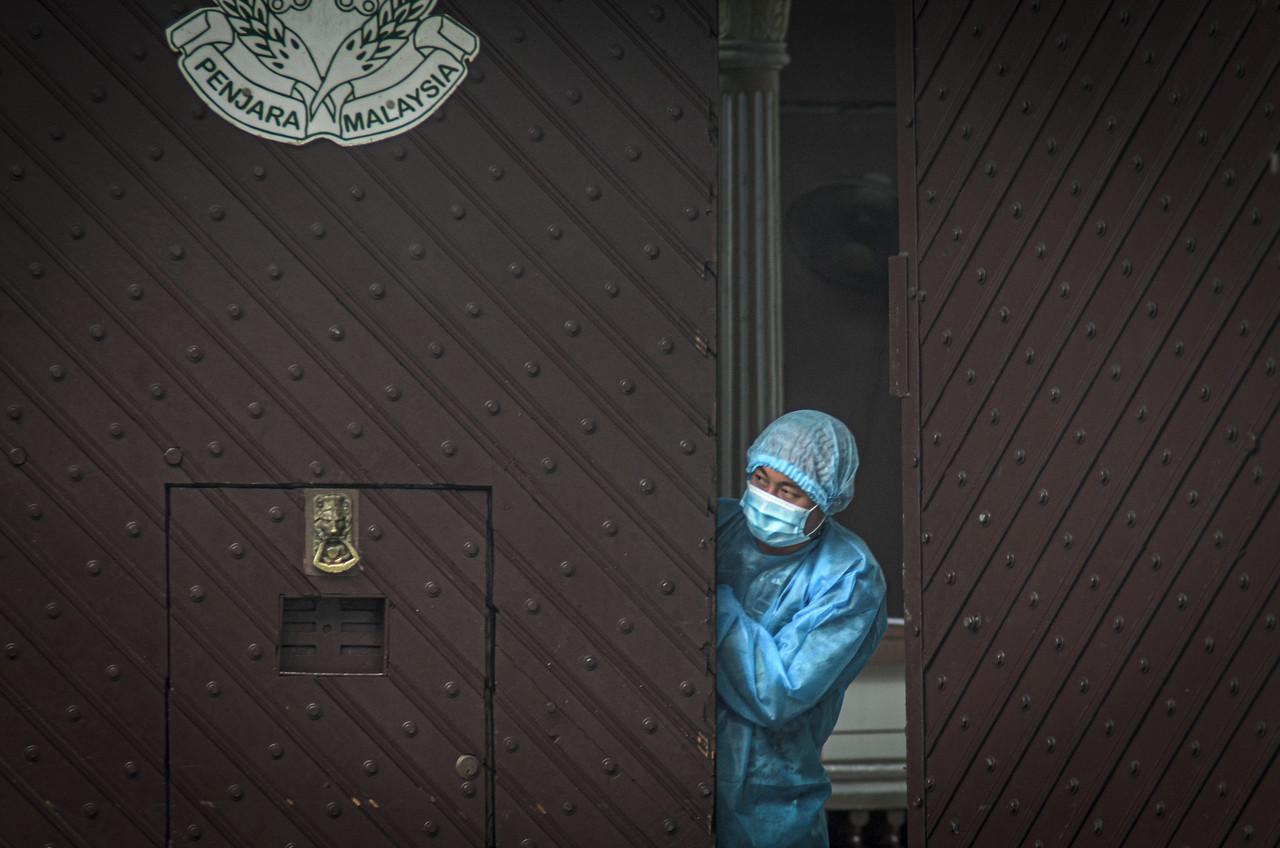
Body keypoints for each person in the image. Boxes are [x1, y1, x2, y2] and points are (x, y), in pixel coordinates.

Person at [716, 410, 888, 848]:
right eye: (760, 479)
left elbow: (778, 692)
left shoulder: (848, 575)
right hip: (677, 768)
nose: (766, 498)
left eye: (788, 491)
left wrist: (714, 603)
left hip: (771, 797)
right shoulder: (718, 526)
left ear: (823, 500)